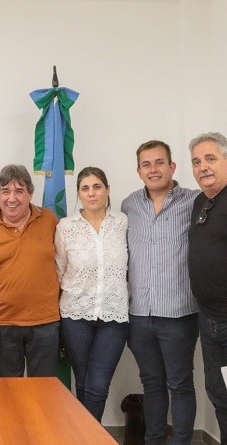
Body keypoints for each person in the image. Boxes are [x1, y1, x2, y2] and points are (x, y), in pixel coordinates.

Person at [121, 140, 199, 445]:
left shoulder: (194, 201)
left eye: (159, 162)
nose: (153, 169)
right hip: (140, 313)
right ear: (139, 170)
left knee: (180, 384)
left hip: (179, 312)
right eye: (146, 164)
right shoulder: (129, 205)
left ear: (172, 166)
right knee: (152, 383)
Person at [187, 132, 227, 445]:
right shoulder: (201, 201)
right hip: (208, 318)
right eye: (197, 161)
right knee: (221, 397)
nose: (203, 167)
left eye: (210, 159)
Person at [0, 164, 60, 377]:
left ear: (30, 194)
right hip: (2, 325)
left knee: (43, 390)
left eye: (19, 191)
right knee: (9, 391)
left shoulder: (49, 220)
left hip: (45, 324)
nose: (12, 198)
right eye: (5, 191)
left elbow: (66, 267)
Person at [54, 166, 128, 422]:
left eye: (97, 187)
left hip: (114, 316)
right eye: (85, 188)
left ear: (107, 190)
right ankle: (84, 441)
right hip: (75, 316)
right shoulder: (66, 227)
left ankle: (86, 440)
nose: (91, 193)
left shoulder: (122, 223)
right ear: (78, 194)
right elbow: (58, 271)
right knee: (84, 384)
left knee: (98, 386)